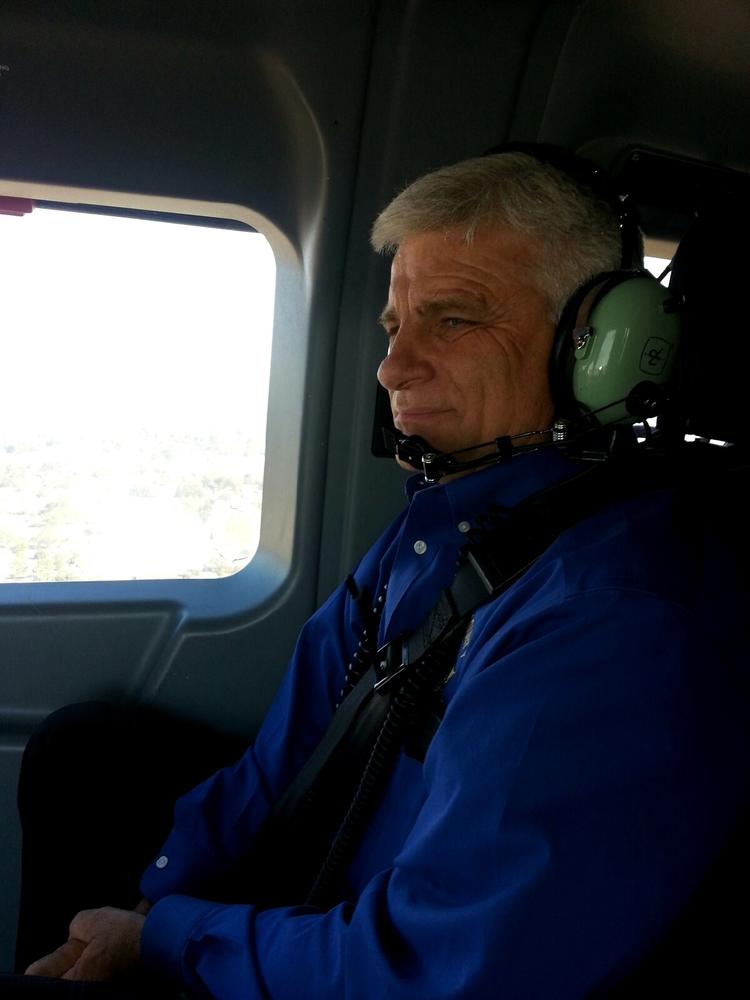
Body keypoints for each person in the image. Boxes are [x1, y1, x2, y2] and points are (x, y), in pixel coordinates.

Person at [8, 152, 750, 998]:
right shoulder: (444, 521)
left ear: (600, 354)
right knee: (86, 753)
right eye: (396, 326)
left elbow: (433, 970)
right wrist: (157, 896)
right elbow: (289, 752)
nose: (392, 369)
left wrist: (167, 943)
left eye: (454, 321)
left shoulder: (620, 620)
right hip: (333, 894)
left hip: (382, 956)